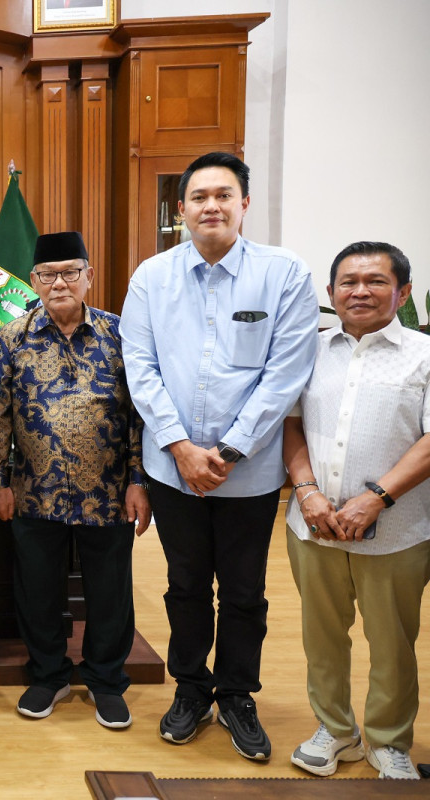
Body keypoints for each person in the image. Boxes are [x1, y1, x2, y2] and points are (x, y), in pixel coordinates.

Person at [120, 152, 319, 760]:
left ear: (244, 204)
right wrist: (180, 448)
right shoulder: (151, 277)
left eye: (223, 195)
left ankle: (236, 693)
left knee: (242, 590)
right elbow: (141, 369)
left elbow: (286, 374)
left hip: (250, 471)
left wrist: (228, 451)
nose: (211, 206)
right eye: (198, 196)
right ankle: (190, 689)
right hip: (173, 470)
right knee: (184, 587)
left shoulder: (285, 274)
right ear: (180, 209)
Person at [0, 232, 150, 730]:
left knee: (110, 592)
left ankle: (105, 679)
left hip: (108, 491)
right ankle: (49, 674)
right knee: (37, 591)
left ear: (89, 276)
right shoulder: (11, 336)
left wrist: (139, 481)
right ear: (33, 281)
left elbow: (140, 415)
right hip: (34, 490)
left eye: (69, 272)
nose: (59, 282)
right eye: (47, 275)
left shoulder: (122, 334)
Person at [282, 241, 430, 781]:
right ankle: (335, 730)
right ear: (331, 292)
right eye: (348, 282)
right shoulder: (310, 350)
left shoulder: (424, 354)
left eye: (374, 281)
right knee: (322, 635)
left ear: (403, 292)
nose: (360, 291)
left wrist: (376, 498)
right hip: (313, 523)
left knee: (392, 641)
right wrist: (306, 491)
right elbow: (290, 423)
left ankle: (388, 740)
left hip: (397, 529)